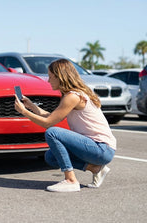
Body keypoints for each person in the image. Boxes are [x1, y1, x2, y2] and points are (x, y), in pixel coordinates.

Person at [14, 58, 116, 192]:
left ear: (60, 77)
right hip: (97, 148)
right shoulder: (72, 95)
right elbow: (51, 117)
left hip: (101, 148)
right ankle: (95, 168)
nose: (48, 81)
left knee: (52, 132)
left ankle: (71, 180)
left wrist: (24, 112)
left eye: (51, 77)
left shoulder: (73, 97)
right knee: (50, 157)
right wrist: (32, 106)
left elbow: (48, 123)